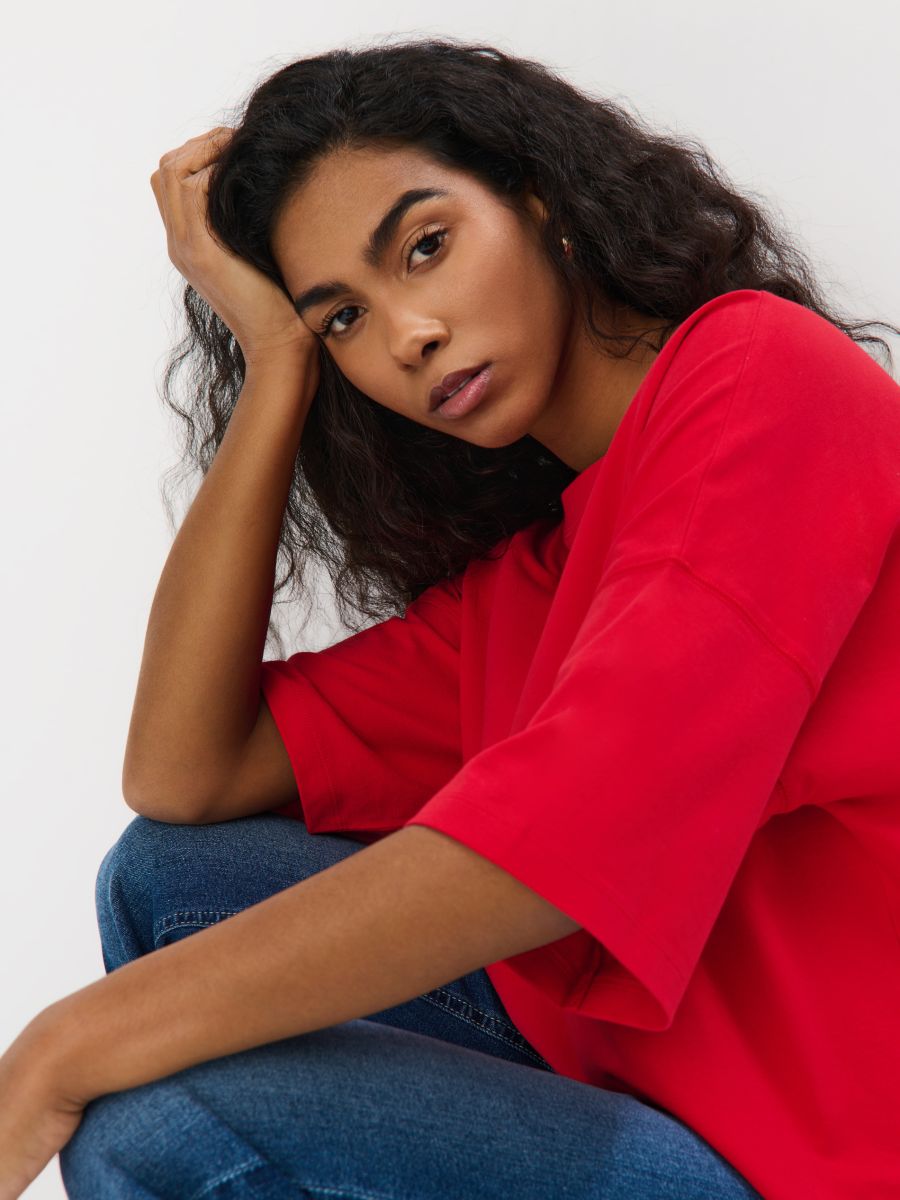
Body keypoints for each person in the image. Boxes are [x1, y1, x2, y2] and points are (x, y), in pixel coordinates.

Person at [1, 36, 898, 1200]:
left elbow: (573, 838)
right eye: (344, 319)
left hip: (818, 1161)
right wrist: (276, 364)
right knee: (167, 878)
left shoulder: (766, 377)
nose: (406, 335)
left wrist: (66, 1046)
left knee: (165, 1120)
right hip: (644, 1087)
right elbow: (185, 773)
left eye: (425, 247)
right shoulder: (534, 582)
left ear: (542, 201)